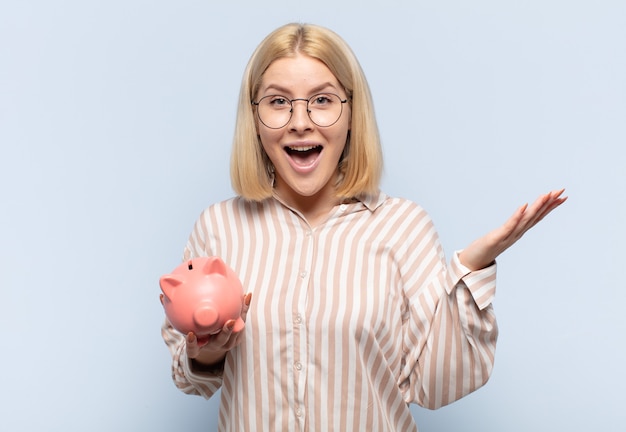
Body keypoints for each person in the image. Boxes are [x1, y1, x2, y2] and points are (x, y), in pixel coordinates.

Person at [162, 22, 566, 431]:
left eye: (322, 100)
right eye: (278, 102)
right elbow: (186, 374)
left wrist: (471, 270)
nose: (300, 121)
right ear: (255, 118)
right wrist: (207, 353)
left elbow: (439, 385)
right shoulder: (218, 228)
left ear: (352, 114)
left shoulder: (404, 227)